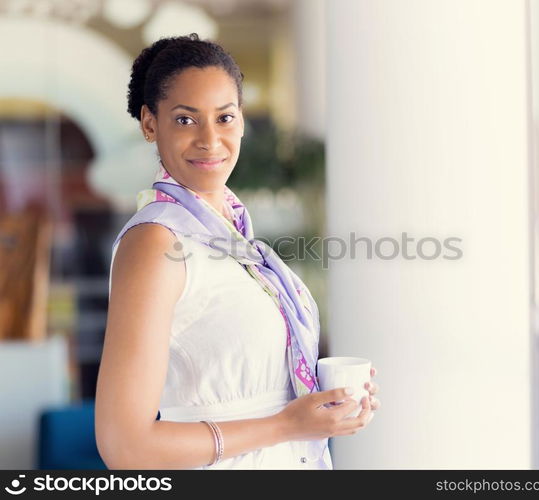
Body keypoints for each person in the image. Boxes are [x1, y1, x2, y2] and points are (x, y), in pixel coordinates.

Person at [94, 33, 380, 470]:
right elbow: (125, 447)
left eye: (224, 118)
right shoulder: (156, 241)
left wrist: (325, 406)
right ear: (150, 124)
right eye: (186, 120)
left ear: (242, 120)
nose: (210, 140)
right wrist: (287, 425)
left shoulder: (235, 239)